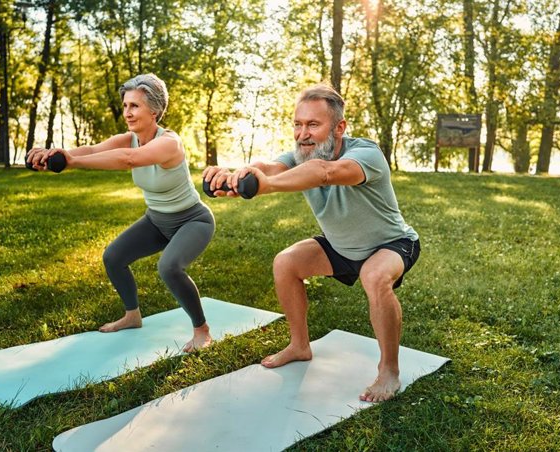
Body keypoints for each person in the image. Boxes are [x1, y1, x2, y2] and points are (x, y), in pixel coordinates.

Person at [203, 84, 420, 401]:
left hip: (391, 244)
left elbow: (323, 173)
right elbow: (269, 167)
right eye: (298, 124)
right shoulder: (298, 156)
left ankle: (389, 370)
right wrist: (236, 176)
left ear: (339, 127)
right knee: (286, 263)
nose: (302, 133)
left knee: (373, 276)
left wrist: (267, 186)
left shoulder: (366, 154)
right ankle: (299, 345)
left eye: (313, 125)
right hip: (341, 247)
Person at [27, 73, 215, 352]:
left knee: (169, 267)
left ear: (154, 110)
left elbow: (130, 160)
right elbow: (92, 148)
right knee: (114, 257)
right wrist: (58, 153)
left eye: (135, 106)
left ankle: (202, 331)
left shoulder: (169, 143)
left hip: (192, 219)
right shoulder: (130, 138)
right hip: (157, 220)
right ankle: (132, 315)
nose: (127, 112)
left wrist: (73, 162)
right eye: (126, 105)